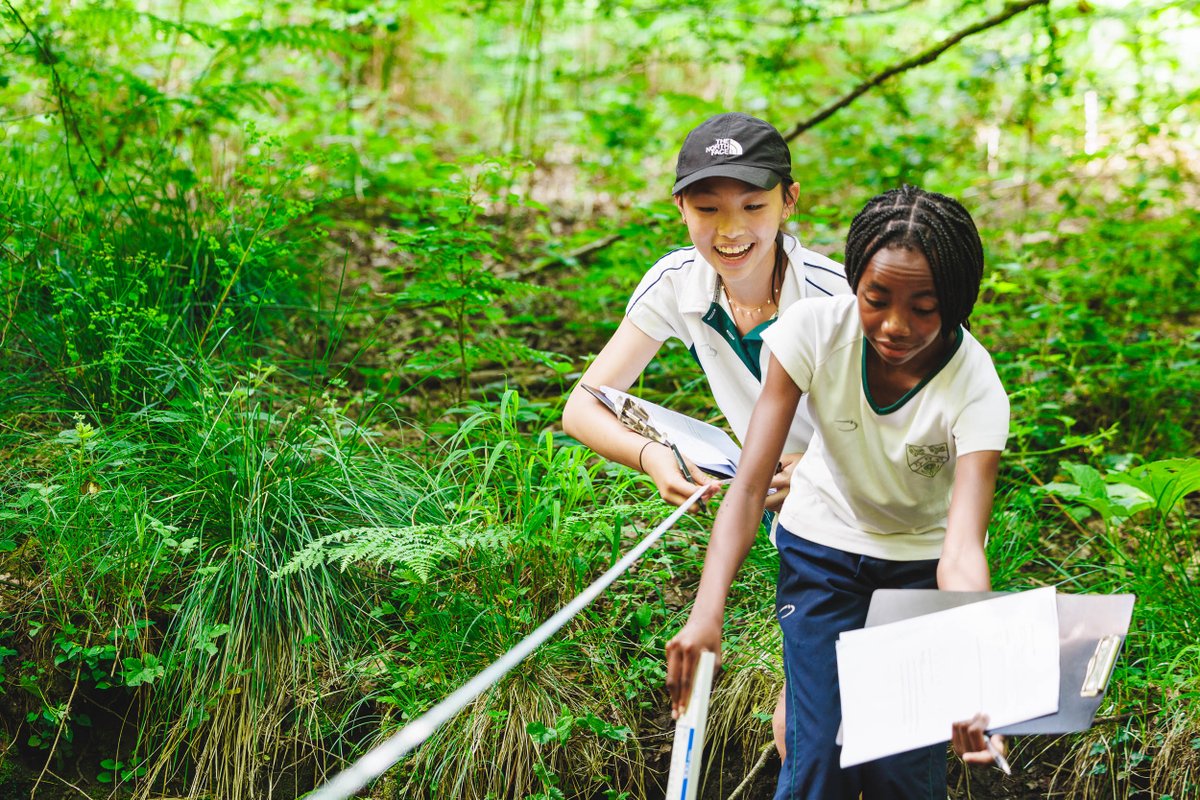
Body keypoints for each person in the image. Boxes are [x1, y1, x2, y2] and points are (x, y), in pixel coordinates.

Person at [664, 185, 1011, 799]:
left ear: (959, 302)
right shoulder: (814, 333)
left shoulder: (975, 384)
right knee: (816, 756)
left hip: (921, 569)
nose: (896, 325)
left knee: (902, 770)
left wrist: (972, 672)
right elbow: (748, 487)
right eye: (876, 300)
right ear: (854, 285)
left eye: (925, 308)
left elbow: (961, 549)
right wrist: (705, 613)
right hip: (822, 552)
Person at [562, 112, 850, 757]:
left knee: (818, 727)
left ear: (789, 200)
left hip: (877, 508)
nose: (731, 229)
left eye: (753, 204)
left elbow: (920, 418)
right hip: (789, 518)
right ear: (680, 208)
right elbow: (583, 407)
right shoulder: (676, 282)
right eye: (708, 207)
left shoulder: (839, 295)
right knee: (806, 730)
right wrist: (650, 454)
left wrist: (817, 464)